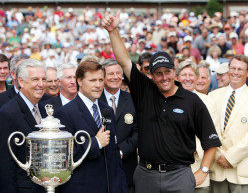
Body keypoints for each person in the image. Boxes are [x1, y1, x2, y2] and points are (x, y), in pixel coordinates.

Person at [102, 11, 221, 193]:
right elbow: (125, 61)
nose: (164, 77)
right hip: (146, 175)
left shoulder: (192, 101)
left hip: (179, 175)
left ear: (175, 72)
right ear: (152, 75)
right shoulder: (145, 91)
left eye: (167, 71)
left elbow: (210, 141)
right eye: (159, 73)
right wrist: (113, 31)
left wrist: (203, 170)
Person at [55, 60, 128, 193]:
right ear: (80, 81)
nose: (98, 85)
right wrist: (95, 143)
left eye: (100, 80)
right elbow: (64, 157)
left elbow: (114, 154)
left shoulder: (107, 110)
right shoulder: (65, 113)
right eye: (93, 80)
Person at [209, 54, 248, 193]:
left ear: (247, 73)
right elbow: (209, 130)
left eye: (240, 69)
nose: (235, 72)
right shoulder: (213, 96)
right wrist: (218, 155)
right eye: (233, 68)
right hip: (218, 169)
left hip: (244, 171)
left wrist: (230, 157)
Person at [0, 58, 47, 193]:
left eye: (43, 79)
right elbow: (5, 165)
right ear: (21, 81)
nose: (41, 84)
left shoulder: (45, 108)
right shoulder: (8, 113)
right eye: (35, 79)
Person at [176, 60, 220, 193]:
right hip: (173, 169)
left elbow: (213, 134)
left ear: (196, 78)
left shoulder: (208, 101)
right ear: (177, 78)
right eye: (184, 75)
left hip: (199, 166)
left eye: (191, 75)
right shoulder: (168, 99)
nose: (188, 79)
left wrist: (203, 167)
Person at [100, 59, 138, 193]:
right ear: (103, 77)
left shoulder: (133, 99)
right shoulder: (95, 100)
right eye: (111, 74)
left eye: (118, 73)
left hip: (127, 168)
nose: (115, 77)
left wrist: (122, 151)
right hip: (100, 168)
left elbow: (138, 132)